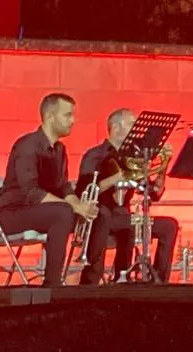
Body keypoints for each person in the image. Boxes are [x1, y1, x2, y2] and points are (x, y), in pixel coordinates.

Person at [0, 92, 98, 287]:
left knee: (99, 214)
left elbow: (62, 186)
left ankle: (92, 282)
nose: (73, 121)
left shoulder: (60, 150)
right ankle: (52, 283)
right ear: (50, 117)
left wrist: (79, 204)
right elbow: (31, 193)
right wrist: (72, 207)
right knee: (64, 212)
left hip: (41, 210)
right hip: (11, 212)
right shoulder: (28, 145)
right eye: (67, 115)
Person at [76, 108, 180, 284]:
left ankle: (159, 283)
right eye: (132, 124)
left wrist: (162, 168)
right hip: (99, 217)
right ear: (116, 128)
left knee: (169, 225)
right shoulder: (95, 155)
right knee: (108, 217)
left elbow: (153, 194)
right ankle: (93, 280)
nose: (136, 129)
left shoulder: (134, 156)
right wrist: (117, 177)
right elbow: (83, 191)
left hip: (124, 217)